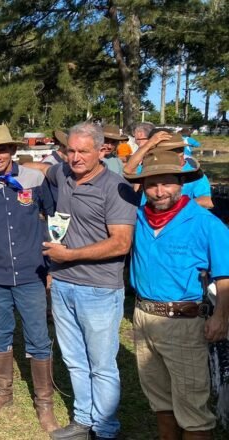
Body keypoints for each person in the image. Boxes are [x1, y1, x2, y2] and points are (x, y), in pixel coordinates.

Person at [42, 122, 138, 440]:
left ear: (102, 150)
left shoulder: (116, 187)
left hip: (98, 289)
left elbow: (121, 242)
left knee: (101, 364)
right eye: (71, 150)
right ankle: (84, 422)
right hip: (64, 284)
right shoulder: (63, 175)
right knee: (74, 360)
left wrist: (70, 256)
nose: (76, 157)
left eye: (84, 151)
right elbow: (43, 169)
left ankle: (106, 428)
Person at [124, 150, 229, 439]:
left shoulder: (205, 223)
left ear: (182, 182)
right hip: (144, 317)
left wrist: (221, 316)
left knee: (193, 409)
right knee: (160, 402)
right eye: (152, 184)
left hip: (182, 322)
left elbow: (225, 276)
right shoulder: (138, 218)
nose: (159, 192)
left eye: (167, 183)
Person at [0, 125, 58, 433]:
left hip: (31, 271)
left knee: (37, 336)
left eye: (2, 150)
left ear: (12, 150)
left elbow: (53, 212)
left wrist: (47, 250)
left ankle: (44, 402)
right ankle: (3, 391)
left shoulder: (33, 178)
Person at [126, 131, 214, 210]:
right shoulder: (152, 168)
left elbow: (207, 201)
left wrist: (174, 208)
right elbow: (128, 170)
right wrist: (149, 144)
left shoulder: (193, 173)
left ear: (180, 152)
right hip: (147, 219)